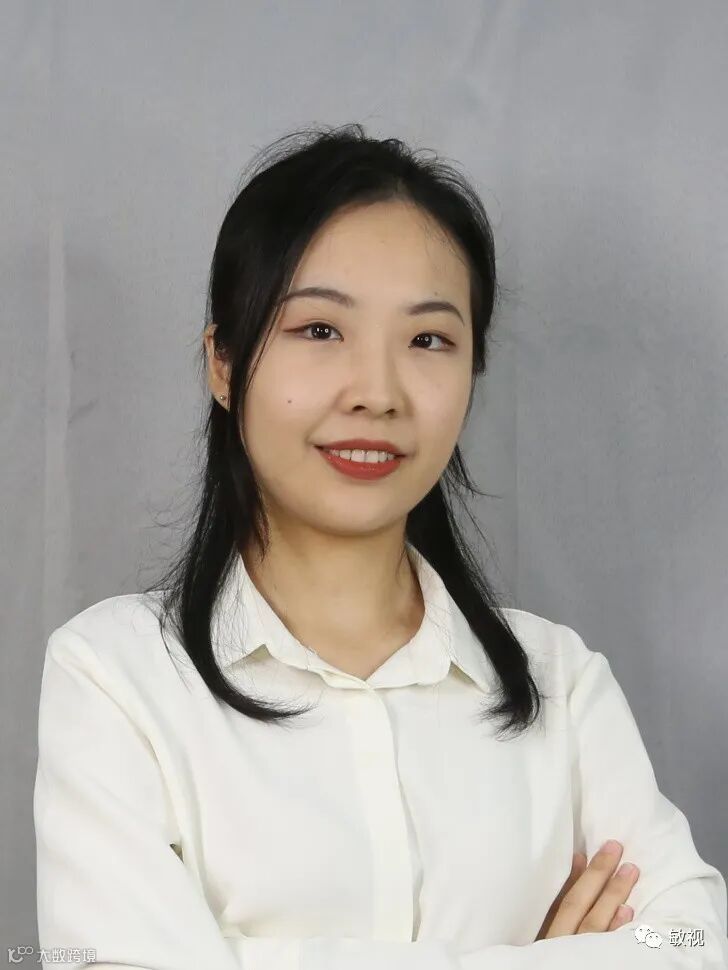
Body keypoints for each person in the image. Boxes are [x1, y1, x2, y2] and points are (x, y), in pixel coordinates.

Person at [34, 124, 727, 969]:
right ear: (223, 362)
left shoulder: (561, 682)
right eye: (320, 330)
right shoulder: (117, 677)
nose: (377, 393)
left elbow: (691, 938)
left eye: (428, 339)